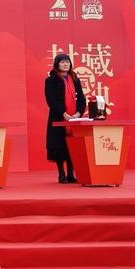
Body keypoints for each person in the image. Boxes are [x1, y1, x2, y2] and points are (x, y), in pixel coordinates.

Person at [44, 53, 85, 183]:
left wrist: (78, 113)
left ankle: (71, 174)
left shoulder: (75, 79)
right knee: (59, 145)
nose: (66, 64)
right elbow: (51, 100)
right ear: (57, 64)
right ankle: (61, 174)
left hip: (74, 119)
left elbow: (82, 99)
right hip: (58, 117)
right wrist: (63, 113)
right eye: (62, 62)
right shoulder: (51, 80)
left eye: (67, 61)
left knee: (72, 146)